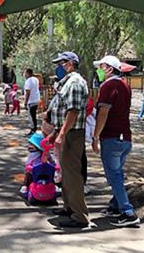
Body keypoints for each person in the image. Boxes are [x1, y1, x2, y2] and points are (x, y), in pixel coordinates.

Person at [92, 55, 141, 227]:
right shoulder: (125, 85)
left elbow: (104, 112)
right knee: (117, 174)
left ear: (110, 69)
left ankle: (128, 212)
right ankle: (116, 205)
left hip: (112, 137)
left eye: (102, 66)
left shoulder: (108, 86)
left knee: (114, 176)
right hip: (124, 137)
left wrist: (95, 136)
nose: (99, 70)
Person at [49, 51, 89, 228]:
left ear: (70, 64)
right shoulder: (66, 83)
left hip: (72, 134)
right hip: (66, 132)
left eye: (62, 63)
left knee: (72, 174)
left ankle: (79, 216)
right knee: (66, 172)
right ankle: (69, 207)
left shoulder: (75, 83)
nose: (59, 67)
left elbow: (73, 112)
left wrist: (62, 133)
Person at [24, 68, 41, 136]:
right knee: (34, 115)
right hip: (36, 99)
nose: (24, 74)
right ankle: (34, 129)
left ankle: (33, 129)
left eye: (25, 73)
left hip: (31, 101)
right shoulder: (35, 79)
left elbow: (28, 92)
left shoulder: (28, 81)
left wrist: (25, 102)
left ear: (28, 73)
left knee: (31, 116)